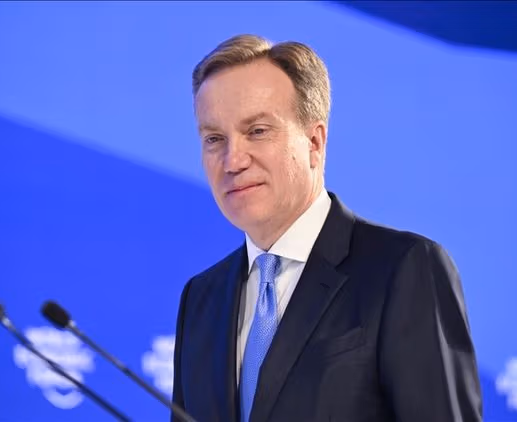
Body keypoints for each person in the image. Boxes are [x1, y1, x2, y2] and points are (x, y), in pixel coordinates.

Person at [171, 34, 483, 422]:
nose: (232, 161)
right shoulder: (201, 298)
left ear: (315, 142)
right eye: (214, 139)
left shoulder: (405, 269)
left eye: (257, 131)